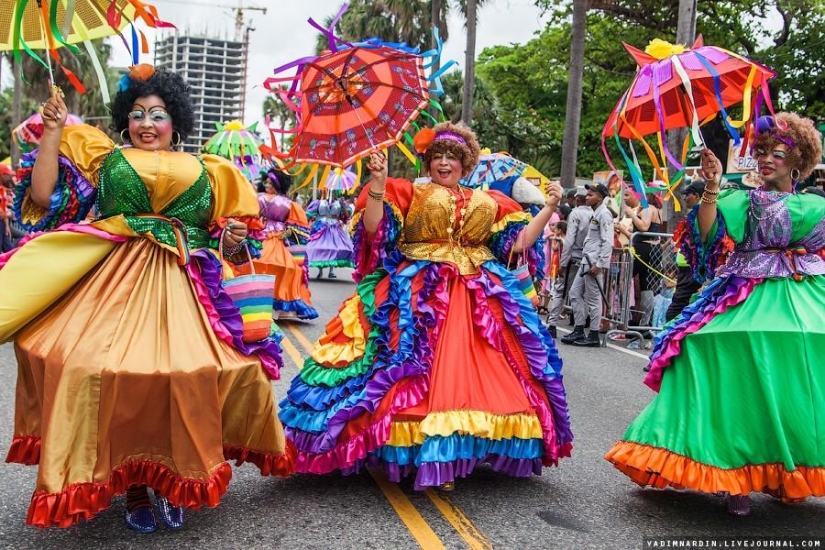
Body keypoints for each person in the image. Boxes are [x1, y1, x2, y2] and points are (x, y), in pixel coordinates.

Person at [1, 65, 294, 532]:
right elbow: (42, 196)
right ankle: (132, 480)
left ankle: (168, 477)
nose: (146, 123)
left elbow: (232, 249)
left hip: (186, 283)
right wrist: (53, 133)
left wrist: (234, 238)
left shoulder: (211, 171)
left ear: (175, 120)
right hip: (110, 280)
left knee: (186, 375)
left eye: (157, 114)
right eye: (137, 113)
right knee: (95, 369)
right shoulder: (105, 157)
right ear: (125, 120)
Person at [278, 122, 573, 490]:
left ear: (466, 163)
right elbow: (373, 228)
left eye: (452, 157)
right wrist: (378, 183)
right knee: (411, 368)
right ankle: (414, 448)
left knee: (485, 374)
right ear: (428, 162)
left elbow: (518, 244)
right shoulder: (408, 193)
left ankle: (456, 447)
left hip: (479, 292)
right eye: (437, 157)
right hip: (418, 290)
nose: (444, 163)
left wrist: (549, 207)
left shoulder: (490, 202)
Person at [605, 112, 825, 516]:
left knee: (800, 371)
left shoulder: (814, 206)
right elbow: (706, 236)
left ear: (800, 160)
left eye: (777, 152)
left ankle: (787, 469)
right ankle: (732, 473)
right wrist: (711, 186)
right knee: (710, 349)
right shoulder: (741, 198)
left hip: (804, 295)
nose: (766, 159)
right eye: (761, 152)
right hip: (745, 292)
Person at [249, 168, 318, 320]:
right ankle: (256, 300)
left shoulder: (288, 204)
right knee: (256, 263)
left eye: (271, 182)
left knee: (288, 268)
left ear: (278, 184)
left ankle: (276, 305)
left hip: (279, 239)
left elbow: (297, 226)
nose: (267, 185)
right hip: (261, 235)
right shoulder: (257, 197)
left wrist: (284, 235)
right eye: (266, 182)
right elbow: (249, 215)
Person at [561, 182, 614, 347]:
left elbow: (608, 241)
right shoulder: (595, 213)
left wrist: (600, 264)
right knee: (575, 293)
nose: (587, 197)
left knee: (593, 299)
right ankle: (578, 328)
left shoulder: (604, 214)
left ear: (600, 197)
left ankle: (593, 334)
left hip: (594, 262)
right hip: (586, 260)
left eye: (591, 194)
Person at [615, 187, 665, 331]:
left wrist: (631, 215)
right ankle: (643, 324)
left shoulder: (648, 208)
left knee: (623, 280)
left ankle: (629, 320)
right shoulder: (654, 210)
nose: (625, 199)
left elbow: (643, 227)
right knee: (646, 287)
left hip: (644, 251)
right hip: (651, 250)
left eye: (627, 195)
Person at [546, 189, 589, 338]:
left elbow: (569, 241)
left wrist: (563, 263)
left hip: (574, 257)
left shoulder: (575, 214)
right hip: (589, 259)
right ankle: (579, 326)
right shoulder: (594, 213)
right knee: (580, 294)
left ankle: (552, 324)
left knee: (560, 290)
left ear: (577, 199)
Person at [664, 180, 705, 322]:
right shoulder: (697, 213)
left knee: (675, 311)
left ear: (696, 195)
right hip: (688, 268)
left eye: (687, 194)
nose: (684, 198)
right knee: (684, 308)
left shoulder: (703, 214)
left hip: (692, 268)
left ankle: (668, 341)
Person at [305, 196, 355, 279]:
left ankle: (331, 271)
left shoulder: (340, 202)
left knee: (334, 248)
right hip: (321, 228)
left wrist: (342, 205)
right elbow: (310, 214)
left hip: (335, 228)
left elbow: (347, 216)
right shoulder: (319, 202)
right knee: (319, 248)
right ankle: (320, 271)